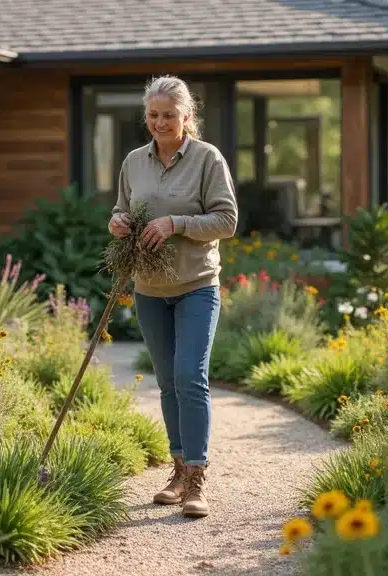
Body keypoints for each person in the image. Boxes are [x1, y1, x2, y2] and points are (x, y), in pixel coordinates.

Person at [108, 75, 238, 519]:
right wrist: (118, 223)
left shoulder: (207, 159)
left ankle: (198, 478)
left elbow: (227, 221)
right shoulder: (134, 162)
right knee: (167, 382)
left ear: (186, 116)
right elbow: (121, 208)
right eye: (153, 115)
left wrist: (175, 223)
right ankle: (178, 472)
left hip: (196, 285)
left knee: (189, 377)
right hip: (149, 289)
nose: (160, 122)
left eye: (168, 115)